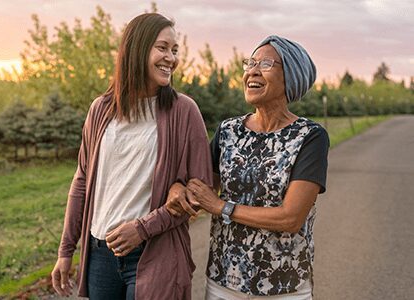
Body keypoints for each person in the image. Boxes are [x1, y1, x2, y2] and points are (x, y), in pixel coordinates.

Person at [51, 13, 212, 300]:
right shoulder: (100, 110)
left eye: (175, 50)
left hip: (155, 252)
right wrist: (66, 250)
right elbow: (82, 180)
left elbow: (199, 192)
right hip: (100, 253)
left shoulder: (184, 111)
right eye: (163, 48)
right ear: (137, 49)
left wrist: (142, 229)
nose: (171, 58)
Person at [167, 35, 329, 299]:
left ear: (291, 76)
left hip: (284, 287)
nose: (252, 71)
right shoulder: (228, 131)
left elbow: (291, 218)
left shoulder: (310, 137)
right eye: (250, 62)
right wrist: (177, 187)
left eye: (265, 64)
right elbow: (197, 186)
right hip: (223, 283)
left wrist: (221, 207)